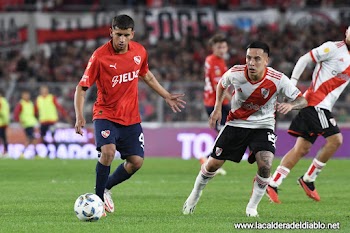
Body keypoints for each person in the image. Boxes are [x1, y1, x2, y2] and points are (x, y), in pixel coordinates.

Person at [74, 15, 186, 216]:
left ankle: (106, 187)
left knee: (136, 162)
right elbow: (81, 88)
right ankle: (98, 201)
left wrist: (166, 95)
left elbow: (147, 76)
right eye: (118, 35)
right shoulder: (99, 56)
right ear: (111, 32)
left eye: (126, 35)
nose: (122, 40)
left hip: (131, 117)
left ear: (132, 34)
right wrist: (79, 116)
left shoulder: (140, 52)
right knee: (108, 152)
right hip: (105, 113)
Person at [182, 41, 307, 217]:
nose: (251, 63)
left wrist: (291, 105)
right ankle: (194, 195)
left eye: (257, 59)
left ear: (266, 60)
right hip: (236, 123)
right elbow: (221, 85)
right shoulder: (236, 73)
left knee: (265, 165)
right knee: (213, 164)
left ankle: (252, 208)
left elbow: (303, 100)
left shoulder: (278, 79)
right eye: (249, 58)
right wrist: (218, 107)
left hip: (263, 126)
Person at [266, 26, 350, 204]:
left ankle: (273, 184)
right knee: (336, 140)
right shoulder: (333, 48)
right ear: (346, 33)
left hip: (319, 106)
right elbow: (305, 58)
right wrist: (293, 82)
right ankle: (309, 179)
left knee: (301, 149)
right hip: (315, 104)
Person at [200, 33, 231, 175]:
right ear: (213, 47)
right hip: (215, 103)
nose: (222, 49)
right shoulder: (213, 61)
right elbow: (218, 85)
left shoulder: (219, 60)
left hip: (220, 102)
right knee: (224, 133)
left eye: (224, 47)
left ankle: (209, 159)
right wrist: (232, 98)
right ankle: (209, 160)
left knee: (225, 133)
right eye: (219, 47)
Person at [35, 85, 70, 158]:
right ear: (40, 91)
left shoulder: (51, 98)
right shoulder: (38, 99)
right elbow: (35, 110)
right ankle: (48, 150)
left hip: (51, 121)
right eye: (42, 90)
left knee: (53, 137)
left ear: (47, 91)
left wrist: (65, 115)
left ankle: (56, 153)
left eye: (45, 89)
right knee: (42, 138)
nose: (44, 91)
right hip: (43, 121)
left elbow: (59, 107)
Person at [13, 90, 39, 157]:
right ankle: (35, 153)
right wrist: (19, 120)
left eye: (27, 95)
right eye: (25, 95)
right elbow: (16, 113)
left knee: (30, 139)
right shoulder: (21, 104)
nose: (27, 96)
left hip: (32, 123)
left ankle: (23, 153)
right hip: (27, 124)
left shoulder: (30, 103)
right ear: (22, 96)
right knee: (33, 138)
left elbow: (34, 113)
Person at [0, 90, 10, 157]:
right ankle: (6, 151)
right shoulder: (5, 101)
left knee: (2, 138)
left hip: (1, 122)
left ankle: (5, 151)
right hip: (5, 122)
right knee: (4, 138)